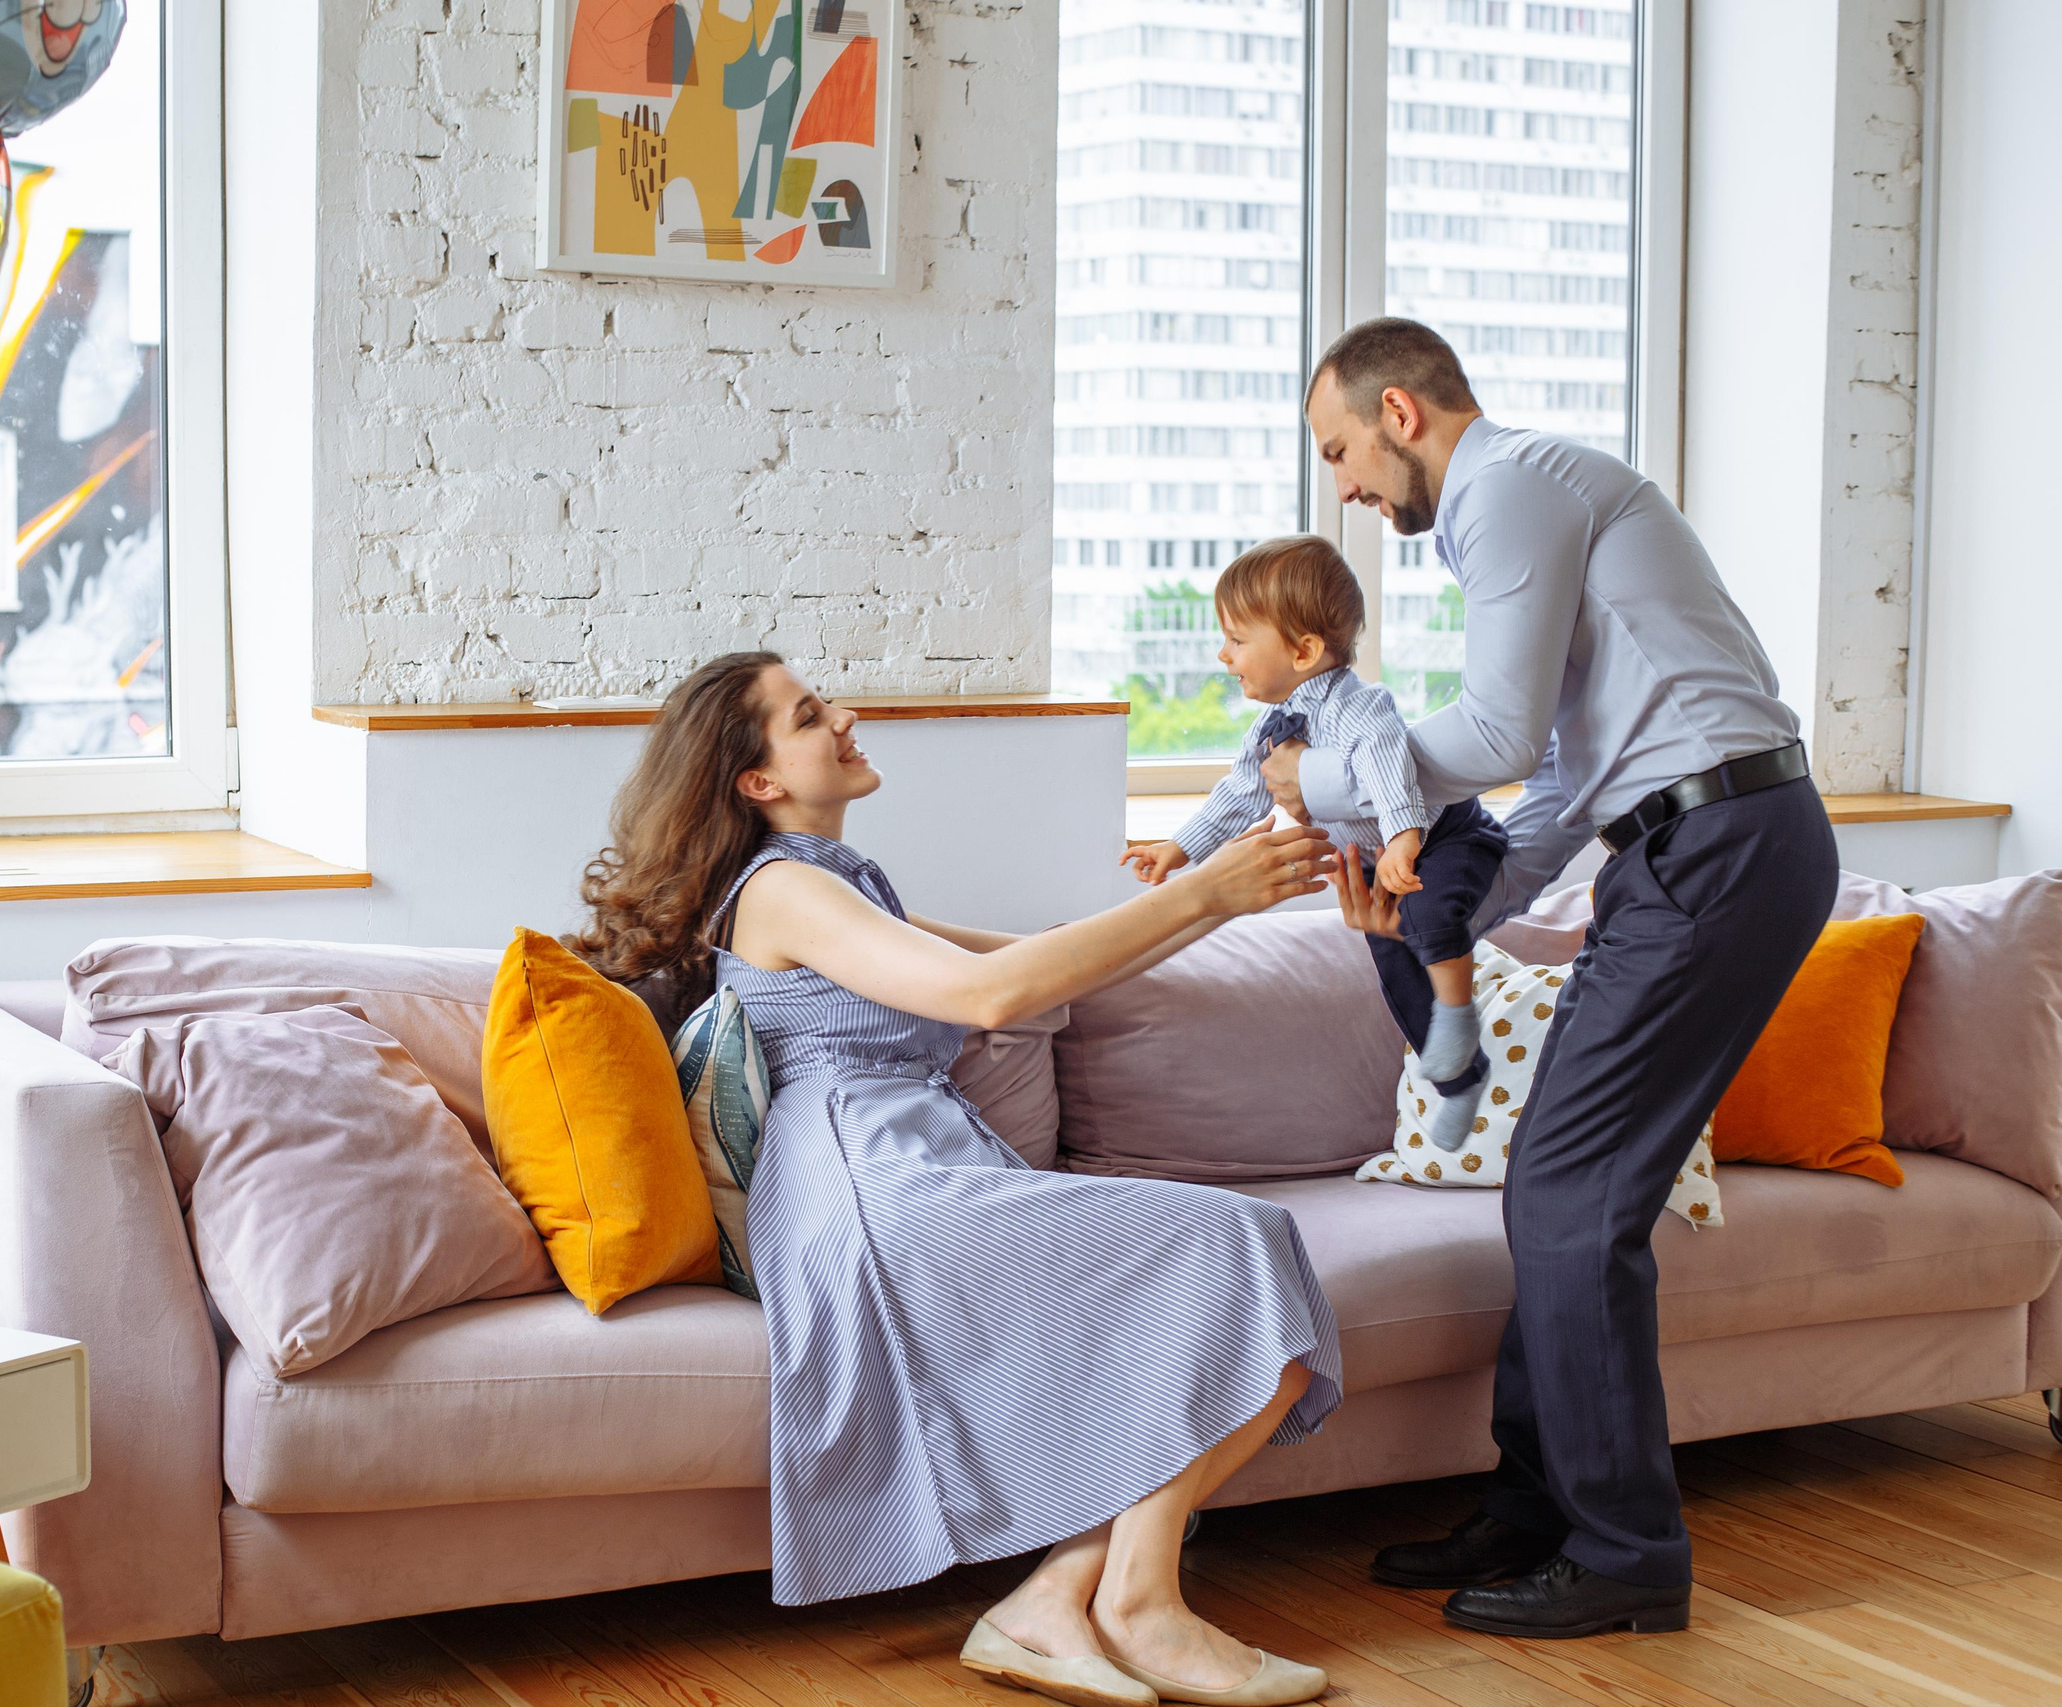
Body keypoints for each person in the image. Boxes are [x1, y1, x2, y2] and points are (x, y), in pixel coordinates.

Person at [572, 652, 1344, 1707]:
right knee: (1236, 1245)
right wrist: (1211, 891)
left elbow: (1040, 960)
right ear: (757, 781)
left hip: (913, 1159)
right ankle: (1138, 1606)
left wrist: (1222, 894)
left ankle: (1066, 1599)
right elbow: (990, 996)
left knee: (1265, 1322)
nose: (842, 717)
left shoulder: (841, 884)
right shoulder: (783, 888)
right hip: (867, 1184)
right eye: (807, 715)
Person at [1271, 318, 1837, 1638]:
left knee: (1572, 1191)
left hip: (1719, 840)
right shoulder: (1539, 496)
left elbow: (1493, 733)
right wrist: (1440, 899)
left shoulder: (1508, 486)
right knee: (1563, 1188)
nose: (1344, 487)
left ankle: (1627, 1549)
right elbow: (1575, 775)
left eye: (1341, 450)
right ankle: (1542, 1508)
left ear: (1402, 412)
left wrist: (1316, 777)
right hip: (1696, 838)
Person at [1122, 537, 1508, 1150]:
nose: (1225, 656)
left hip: (1444, 834)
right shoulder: (1273, 727)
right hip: (1389, 854)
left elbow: (1388, 767)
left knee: (1431, 914)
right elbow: (1240, 792)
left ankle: (1458, 1019)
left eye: (1238, 640)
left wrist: (1405, 836)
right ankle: (1460, 1079)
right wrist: (1180, 849)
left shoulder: (1362, 706)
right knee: (1390, 957)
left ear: (1303, 651)